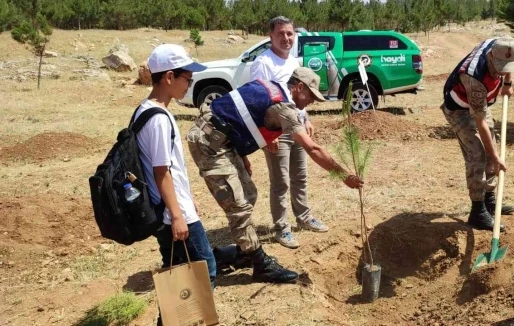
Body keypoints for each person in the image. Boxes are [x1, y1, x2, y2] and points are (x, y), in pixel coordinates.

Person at [187, 67, 363, 283]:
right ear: (299, 87)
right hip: (208, 144)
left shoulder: (271, 87)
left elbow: (238, 115)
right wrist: (343, 175)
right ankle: (261, 265)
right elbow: (313, 149)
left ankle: (243, 252)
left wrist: (241, 155)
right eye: (311, 95)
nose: (312, 102)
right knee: (238, 206)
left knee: (249, 193)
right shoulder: (284, 108)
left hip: (223, 140)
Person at [136, 44, 215, 325]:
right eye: (187, 79)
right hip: (173, 215)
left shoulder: (146, 111)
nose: (189, 85)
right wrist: (178, 214)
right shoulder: (158, 119)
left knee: (181, 277)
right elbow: (161, 172)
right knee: (203, 272)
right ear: (169, 77)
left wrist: (186, 197)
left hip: (172, 207)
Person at [250, 16, 323, 249]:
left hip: (297, 127)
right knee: (280, 181)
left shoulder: (294, 61)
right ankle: (281, 228)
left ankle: (303, 217)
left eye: (290, 33)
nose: (286, 38)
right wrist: (268, 135)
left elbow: (301, 94)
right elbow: (258, 100)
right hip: (277, 132)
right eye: (281, 33)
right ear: (271, 36)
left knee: (300, 175)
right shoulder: (263, 63)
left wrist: (306, 118)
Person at [441, 36, 514, 232]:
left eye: (507, 66)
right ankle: (477, 212)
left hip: (480, 105)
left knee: (491, 144)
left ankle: (489, 201)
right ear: (491, 55)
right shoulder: (474, 76)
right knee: (479, 154)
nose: (503, 70)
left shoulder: (502, 44)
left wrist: (507, 84)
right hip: (459, 109)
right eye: (499, 65)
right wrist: (495, 157)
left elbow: (508, 65)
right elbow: (480, 122)